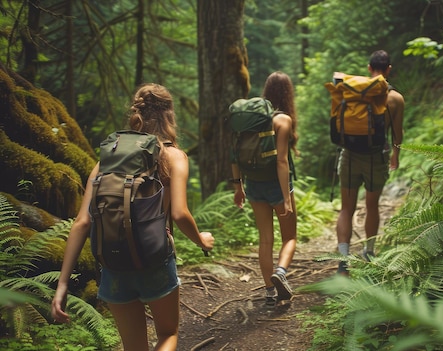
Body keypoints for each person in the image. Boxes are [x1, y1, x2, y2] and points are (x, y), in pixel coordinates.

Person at [51, 83, 215, 351]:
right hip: (155, 261)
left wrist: (62, 284)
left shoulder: (107, 160)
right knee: (168, 335)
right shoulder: (174, 156)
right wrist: (201, 240)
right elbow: (179, 213)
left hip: (114, 265)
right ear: (169, 115)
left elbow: (82, 222)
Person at [231, 71, 298, 307]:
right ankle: (280, 272)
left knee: (265, 240)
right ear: (288, 94)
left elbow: (234, 155)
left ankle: (269, 293)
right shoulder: (283, 121)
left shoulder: (248, 122)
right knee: (289, 237)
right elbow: (282, 161)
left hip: (254, 184)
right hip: (277, 186)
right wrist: (286, 198)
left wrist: (238, 187)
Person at [336, 50, 405, 275]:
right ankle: (369, 252)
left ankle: (343, 258)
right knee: (371, 205)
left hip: (348, 154)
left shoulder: (353, 89)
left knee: (346, 207)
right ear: (389, 69)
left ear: (368, 68)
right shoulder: (394, 98)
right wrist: (396, 155)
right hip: (375, 157)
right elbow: (397, 133)